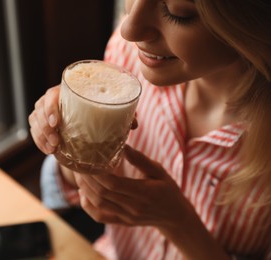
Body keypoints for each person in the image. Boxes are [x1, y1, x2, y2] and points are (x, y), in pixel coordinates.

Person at [28, 0, 271, 259]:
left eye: (178, 14)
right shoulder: (132, 58)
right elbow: (70, 185)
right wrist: (64, 135)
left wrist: (178, 222)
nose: (128, 30)